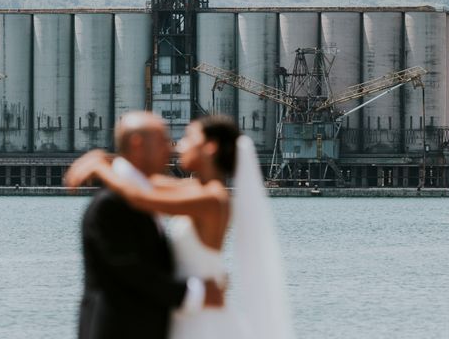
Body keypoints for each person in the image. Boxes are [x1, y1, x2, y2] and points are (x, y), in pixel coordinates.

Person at [68, 114, 294, 339]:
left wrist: (101, 167)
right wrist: (113, 160)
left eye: (188, 137)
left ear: (210, 147)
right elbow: (145, 183)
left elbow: (140, 196)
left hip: (202, 310)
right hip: (184, 308)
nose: (176, 145)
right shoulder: (192, 188)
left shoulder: (213, 199)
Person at [68, 112, 224, 339]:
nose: (170, 148)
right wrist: (196, 293)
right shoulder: (111, 203)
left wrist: (103, 164)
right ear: (137, 144)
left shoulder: (140, 193)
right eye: (162, 140)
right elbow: (131, 270)